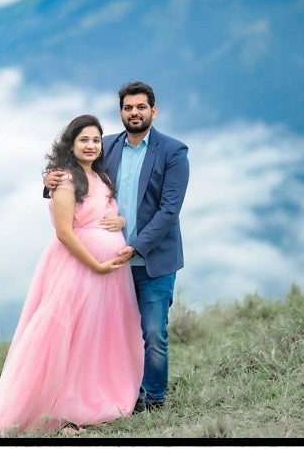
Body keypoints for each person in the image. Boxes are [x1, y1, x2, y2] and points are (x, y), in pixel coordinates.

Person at [0, 115, 144, 437]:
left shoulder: (102, 177)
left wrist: (119, 221)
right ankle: (58, 408)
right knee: (64, 334)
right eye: (84, 140)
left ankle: (93, 398)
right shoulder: (65, 179)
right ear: (71, 144)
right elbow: (65, 232)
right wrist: (95, 264)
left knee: (97, 335)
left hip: (110, 277)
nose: (91, 145)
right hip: (80, 268)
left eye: (96, 140)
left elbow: (102, 212)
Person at [45, 82, 189, 412]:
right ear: (121, 112)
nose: (134, 112)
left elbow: (169, 210)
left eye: (141, 107)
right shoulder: (105, 146)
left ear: (154, 111)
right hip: (110, 268)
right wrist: (48, 183)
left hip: (152, 261)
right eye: (128, 107)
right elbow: (77, 178)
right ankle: (117, 392)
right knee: (112, 335)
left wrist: (135, 247)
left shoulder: (173, 152)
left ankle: (152, 400)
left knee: (153, 334)